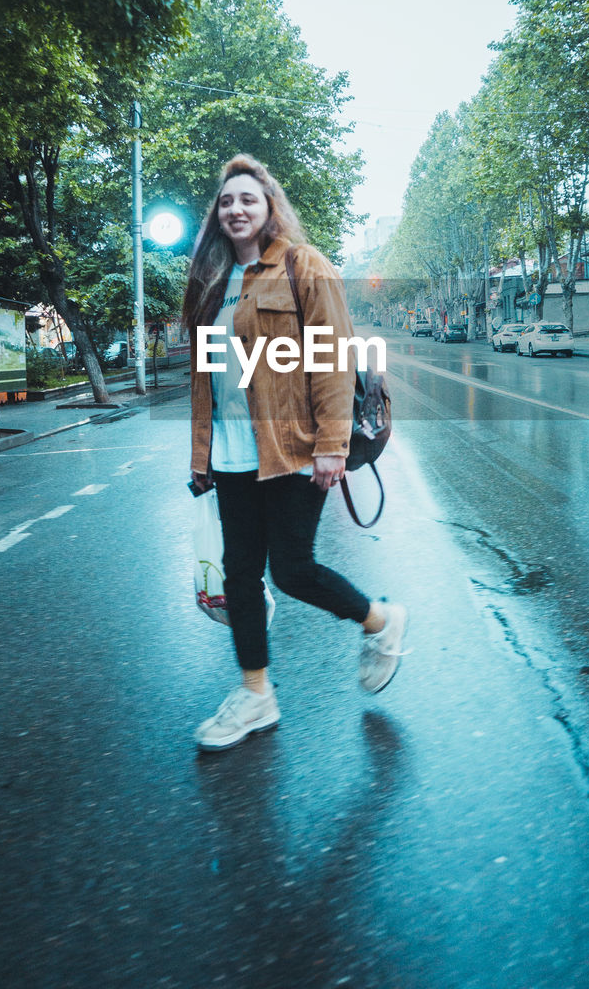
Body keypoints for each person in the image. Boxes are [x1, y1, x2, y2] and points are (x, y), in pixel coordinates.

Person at [183, 154, 407, 751]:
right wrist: (201, 456)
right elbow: (207, 377)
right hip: (232, 454)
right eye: (227, 201)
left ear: (269, 206)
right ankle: (256, 695)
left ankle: (381, 623)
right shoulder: (211, 281)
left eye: (247, 200)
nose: (236, 209)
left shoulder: (304, 267)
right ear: (219, 213)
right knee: (239, 576)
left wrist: (332, 445)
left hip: (292, 450)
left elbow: (334, 358)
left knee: (291, 569)